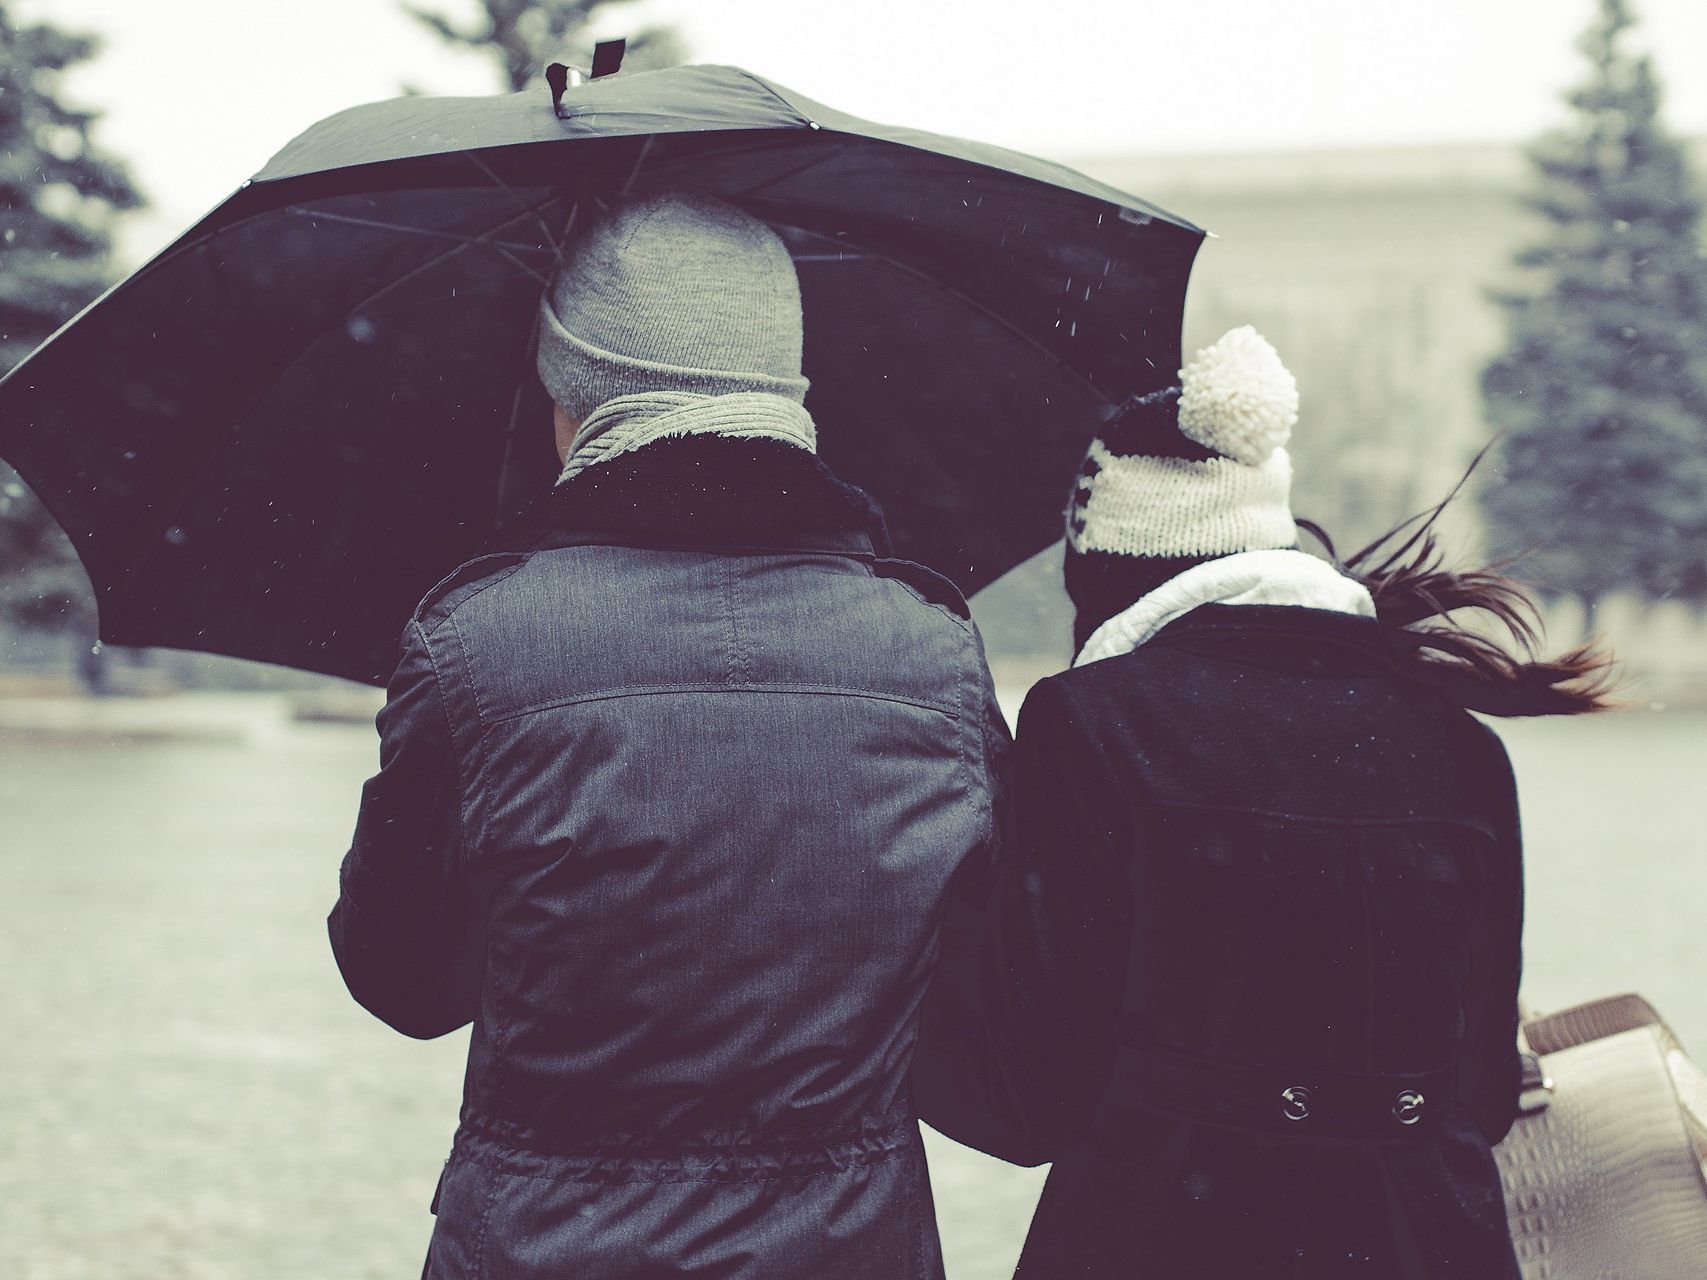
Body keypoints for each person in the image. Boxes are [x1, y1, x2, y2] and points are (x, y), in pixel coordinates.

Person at [328, 194, 1007, 1279]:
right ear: (788, 394)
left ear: (576, 398)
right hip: (848, 1247)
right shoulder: (931, 651)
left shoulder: (477, 643)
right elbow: (989, 1003)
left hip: (546, 1246)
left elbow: (404, 983)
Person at [912, 326, 1616, 1278]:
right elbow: (1482, 1093)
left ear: (1106, 569)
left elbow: (1024, 1096)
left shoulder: (1093, 724)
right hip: (1430, 1243)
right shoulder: (1455, 740)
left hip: (1171, 1236)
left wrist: (914, 952)